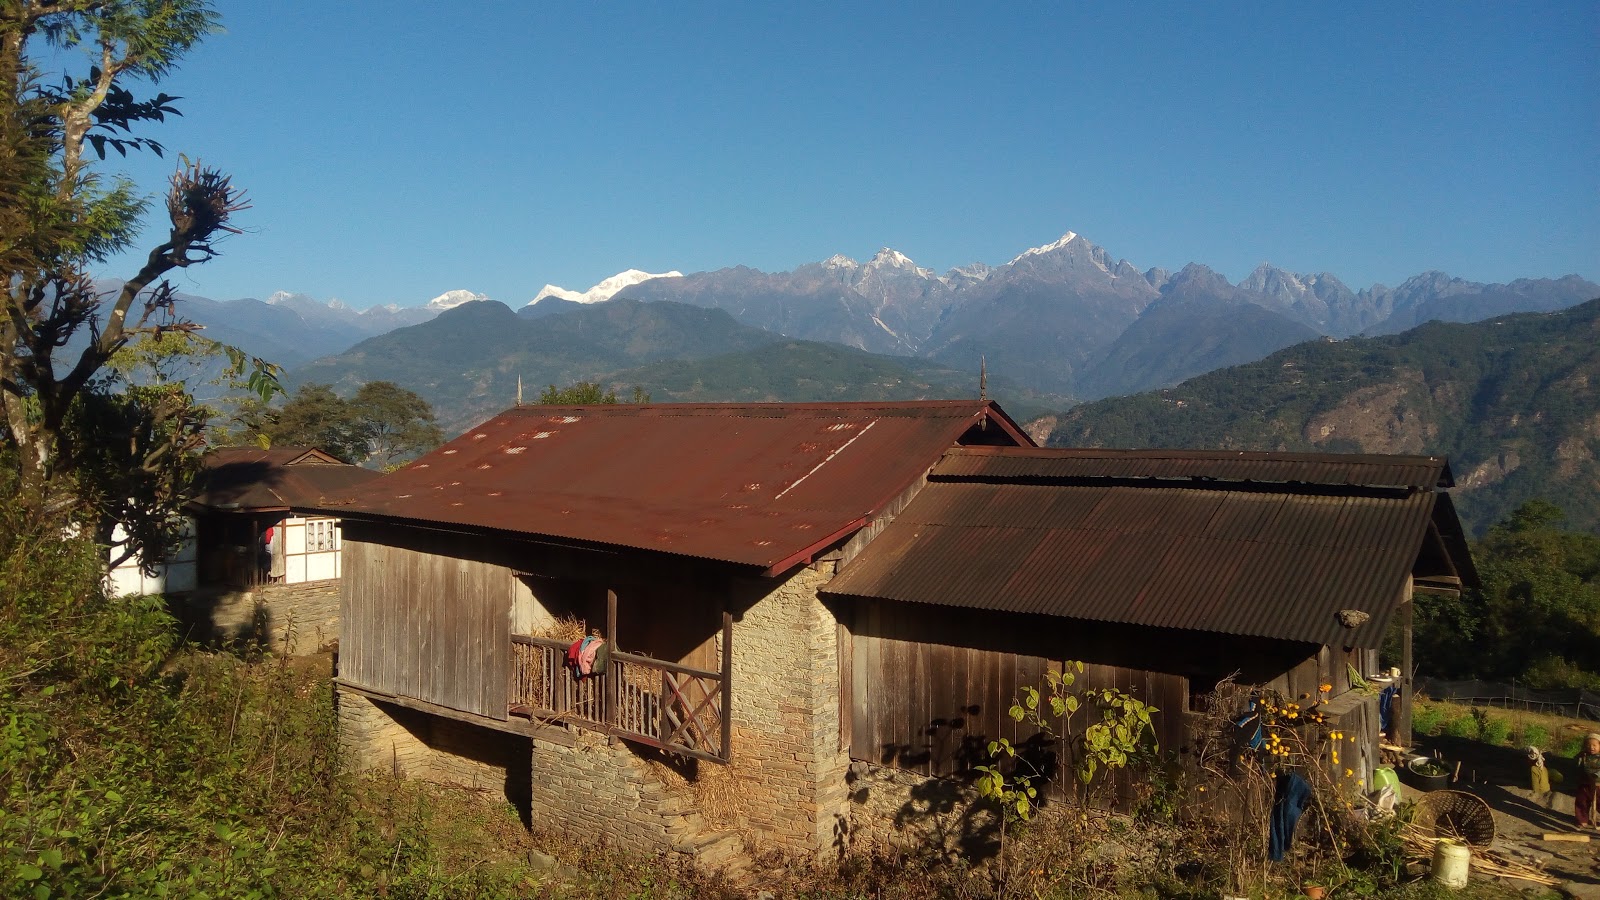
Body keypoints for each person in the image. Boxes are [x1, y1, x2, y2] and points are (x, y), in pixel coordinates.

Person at [1578, 732, 1600, 831]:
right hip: (1585, 784)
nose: (1591, 747)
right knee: (1582, 801)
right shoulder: (1583, 756)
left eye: (1594, 745)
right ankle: (1582, 819)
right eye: (1589, 745)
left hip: (1598, 785)